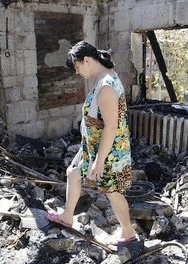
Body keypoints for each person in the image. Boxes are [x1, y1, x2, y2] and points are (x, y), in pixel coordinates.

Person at [46, 41, 137, 245]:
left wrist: (100, 160)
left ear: (86, 60)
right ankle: (68, 216)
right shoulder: (104, 77)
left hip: (109, 151)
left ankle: (128, 232)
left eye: (77, 67)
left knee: (113, 192)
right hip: (94, 147)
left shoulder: (106, 86)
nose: (77, 72)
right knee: (73, 173)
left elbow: (111, 127)